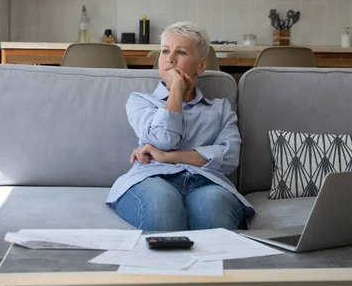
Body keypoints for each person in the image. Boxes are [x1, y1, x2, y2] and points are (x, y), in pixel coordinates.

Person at [106, 22, 254, 231]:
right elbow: (164, 139)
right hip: (152, 178)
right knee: (162, 205)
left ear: (201, 65)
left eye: (181, 52)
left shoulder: (220, 109)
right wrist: (176, 88)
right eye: (165, 51)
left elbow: (229, 157)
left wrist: (168, 157)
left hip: (207, 182)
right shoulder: (140, 101)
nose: (170, 58)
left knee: (214, 209)